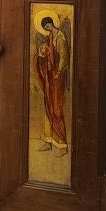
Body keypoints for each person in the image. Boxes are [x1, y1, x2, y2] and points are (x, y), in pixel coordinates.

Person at [36, 16, 70, 153]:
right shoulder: (50, 38)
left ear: (52, 23)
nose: (47, 28)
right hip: (50, 77)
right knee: (48, 107)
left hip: (57, 77)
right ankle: (48, 141)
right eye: (45, 27)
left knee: (56, 109)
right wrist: (42, 53)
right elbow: (48, 55)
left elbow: (64, 57)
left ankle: (62, 145)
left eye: (48, 25)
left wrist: (59, 71)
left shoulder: (60, 38)